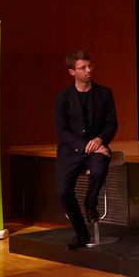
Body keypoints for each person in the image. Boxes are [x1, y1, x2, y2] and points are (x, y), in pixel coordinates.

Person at [54, 50, 118, 250]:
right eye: (83, 68)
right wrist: (85, 146)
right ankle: (81, 233)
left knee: (99, 168)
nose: (88, 70)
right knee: (62, 191)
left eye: (90, 66)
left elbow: (112, 124)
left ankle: (91, 203)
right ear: (72, 72)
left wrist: (99, 140)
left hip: (97, 148)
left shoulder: (104, 93)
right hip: (70, 151)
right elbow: (62, 131)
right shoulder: (63, 97)